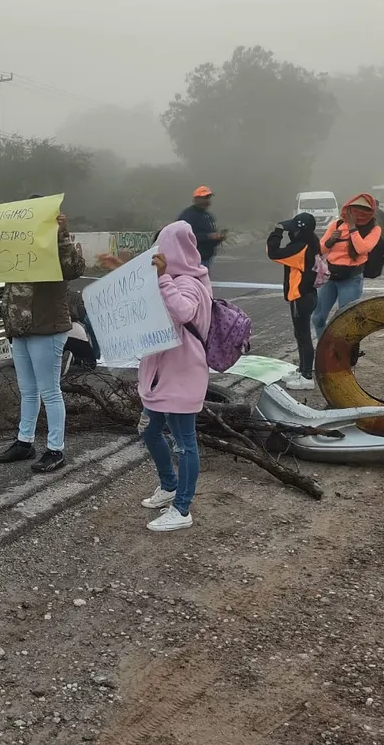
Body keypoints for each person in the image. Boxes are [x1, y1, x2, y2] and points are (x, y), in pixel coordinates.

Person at [133, 221, 212, 532]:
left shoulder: (191, 282)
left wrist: (163, 278)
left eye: (161, 248)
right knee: (149, 431)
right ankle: (168, 485)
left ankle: (182, 508)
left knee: (185, 443)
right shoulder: (171, 279)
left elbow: (182, 313)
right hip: (161, 376)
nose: (157, 255)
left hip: (182, 376)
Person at [0, 205, 85, 473]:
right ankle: (25, 442)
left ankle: (55, 449)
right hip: (20, 327)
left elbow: (73, 269)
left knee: (49, 390)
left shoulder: (57, 242)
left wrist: (62, 234)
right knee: (28, 390)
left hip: (47, 326)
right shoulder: (18, 244)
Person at [312, 193, 382, 340]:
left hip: (351, 279)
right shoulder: (336, 225)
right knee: (318, 317)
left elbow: (362, 249)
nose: (357, 212)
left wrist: (352, 227)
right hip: (330, 276)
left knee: (346, 320)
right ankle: (324, 349)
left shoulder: (374, 230)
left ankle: (345, 354)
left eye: (362, 209)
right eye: (354, 208)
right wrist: (331, 240)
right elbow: (321, 249)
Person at [266, 213, 321, 390]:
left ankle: (306, 377)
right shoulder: (310, 241)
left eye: (293, 229)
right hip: (307, 295)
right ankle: (302, 370)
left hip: (301, 297)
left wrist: (276, 232)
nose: (291, 232)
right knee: (300, 335)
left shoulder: (300, 248)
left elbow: (273, 253)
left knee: (304, 337)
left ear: (300, 230)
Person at [176, 186, 225, 269]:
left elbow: (210, 237)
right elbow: (182, 236)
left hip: (207, 259)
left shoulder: (208, 216)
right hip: (193, 260)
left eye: (208, 198)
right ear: (195, 199)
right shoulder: (187, 215)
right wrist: (208, 236)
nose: (207, 200)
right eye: (204, 198)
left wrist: (218, 238)